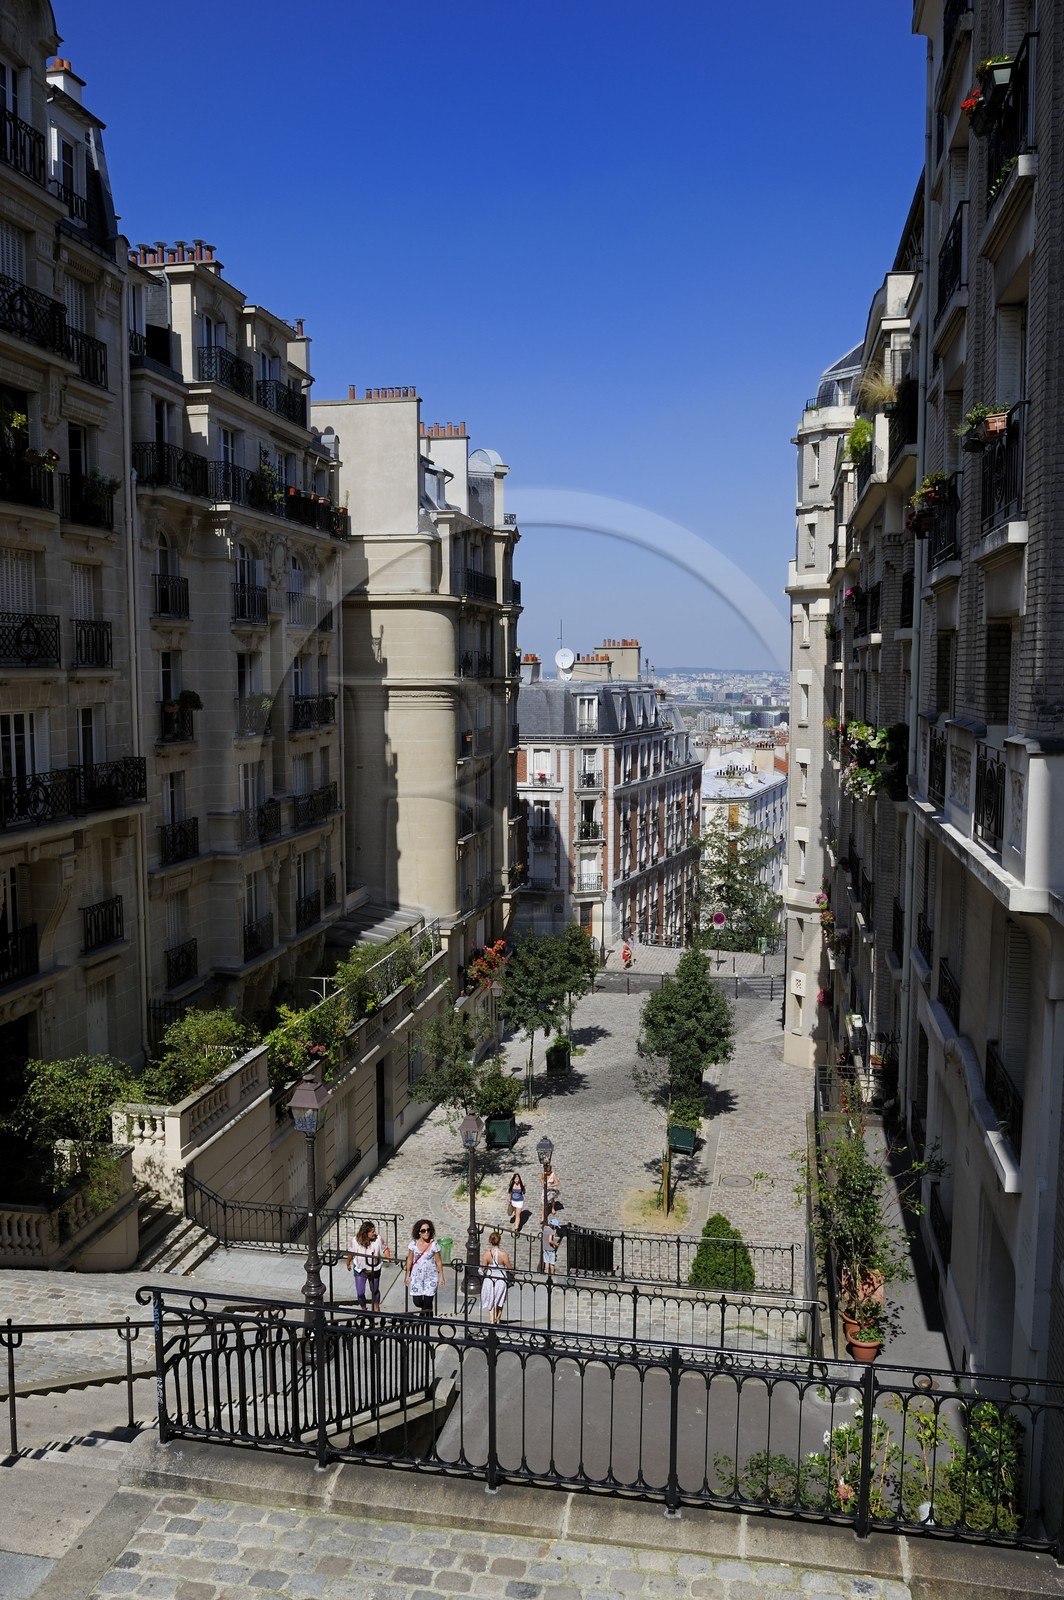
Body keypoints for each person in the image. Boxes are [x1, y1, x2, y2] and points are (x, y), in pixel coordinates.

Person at [345, 1219, 390, 1312]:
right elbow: (351, 1252)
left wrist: (388, 1257)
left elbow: (385, 1248)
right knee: (360, 1292)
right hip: (360, 1269)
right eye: (372, 1231)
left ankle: (376, 1307)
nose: (374, 1233)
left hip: (375, 1269)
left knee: (374, 1290)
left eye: (374, 1231)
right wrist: (348, 1262)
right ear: (366, 1233)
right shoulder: (355, 1240)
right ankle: (363, 1308)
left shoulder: (378, 1239)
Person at [405, 1218, 446, 1316]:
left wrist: (441, 1277)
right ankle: (426, 1311)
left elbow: (438, 1261)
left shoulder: (434, 1245)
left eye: (428, 1230)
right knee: (417, 1301)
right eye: (423, 1231)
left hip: (430, 1276)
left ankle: (426, 1317)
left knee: (428, 1301)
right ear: (419, 1232)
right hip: (417, 1276)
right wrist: (407, 1275)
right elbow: (410, 1259)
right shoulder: (413, 1244)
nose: (426, 1232)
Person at [479, 1230, 512, 1326]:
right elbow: (509, 1268)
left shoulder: (486, 1254)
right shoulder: (503, 1254)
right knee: (500, 1300)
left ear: (490, 1241)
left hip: (490, 1279)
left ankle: (491, 1320)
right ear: (499, 1241)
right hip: (501, 1279)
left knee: (491, 1299)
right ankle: (498, 1319)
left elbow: (483, 1268)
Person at [541, 1211, 560, 1276]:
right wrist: (555, 1244)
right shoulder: (551, 1231)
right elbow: (550, 1240)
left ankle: (546, 1274)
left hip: (545, 1248)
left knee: (546, 1262)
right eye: (556, 1227)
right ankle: (552, 1275)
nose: (556, 1228)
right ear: (554, 1226)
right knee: (552, 1263)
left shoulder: (545, 1228)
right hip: (550, 1249)